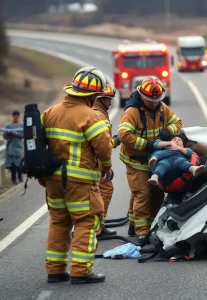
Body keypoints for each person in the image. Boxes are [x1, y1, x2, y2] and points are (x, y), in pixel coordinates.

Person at [41, 67, 112, 285]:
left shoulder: (50, 112)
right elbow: (103, 148)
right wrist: (107, 167)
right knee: (86, 222)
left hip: (53, 181)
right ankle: (80, 271)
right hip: (80, 183)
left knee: (59, 222)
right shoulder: (90, 116)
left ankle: (55, 270)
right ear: (91, 96)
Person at [118, 76, 182, 243]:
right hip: (136, 160)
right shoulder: (132, 112)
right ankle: (142, 231)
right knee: (142, 193)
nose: (154, 103)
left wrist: (169, 130)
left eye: (156, 100)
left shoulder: (162, 108)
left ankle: (144, 224)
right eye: (150, 100)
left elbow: (178, 122)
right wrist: (147, 145)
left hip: (154, 160)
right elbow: (124, 135)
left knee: (156, 193)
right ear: (141, 96)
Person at [93, 82, 120, 236]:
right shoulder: (99, 115)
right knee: (105, 191)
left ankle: (94, 227)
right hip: (96, 164)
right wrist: (115, 141)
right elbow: (102, 145)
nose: (110, 102)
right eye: (108, 99)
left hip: (92, 163)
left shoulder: (96, 112)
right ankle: (97, 229)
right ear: (100, 98)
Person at [3, 110, 24, 185]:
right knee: (12, 165)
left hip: (18, 147)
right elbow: (5, 136)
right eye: (15, 116)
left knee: (19, 164)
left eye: (17, 116)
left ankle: (20, 176)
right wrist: (8, 133)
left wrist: (16, 133)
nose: (16, 118)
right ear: (12, 117)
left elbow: (23, 136)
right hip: (11, 147)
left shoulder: (21, 125)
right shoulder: (8, 125)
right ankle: (13, 179)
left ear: (19, 117)